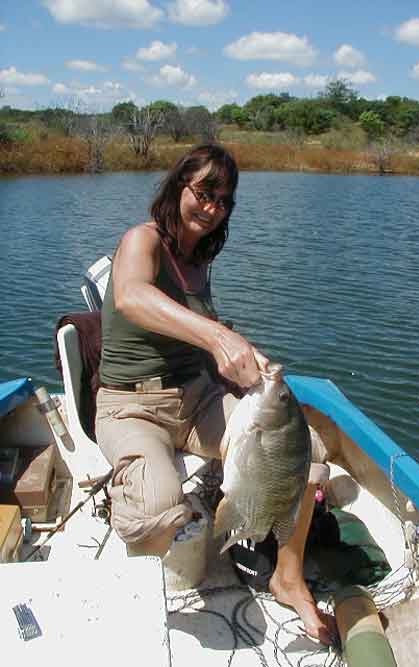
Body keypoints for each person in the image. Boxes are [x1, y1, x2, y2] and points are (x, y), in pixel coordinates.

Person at [95, 143, 335, 644]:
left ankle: (285, 576)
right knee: (157, 512)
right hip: (130, 406)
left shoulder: (199, 259)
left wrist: (247, 355)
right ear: (178, 185)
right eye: (204, 192)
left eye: (224, 200)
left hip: (194, 397)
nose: (212, 208)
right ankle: (137, 496)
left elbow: (202, 331)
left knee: (307, 455)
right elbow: (132, 296)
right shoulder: (142, 241)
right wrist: (217, 337)